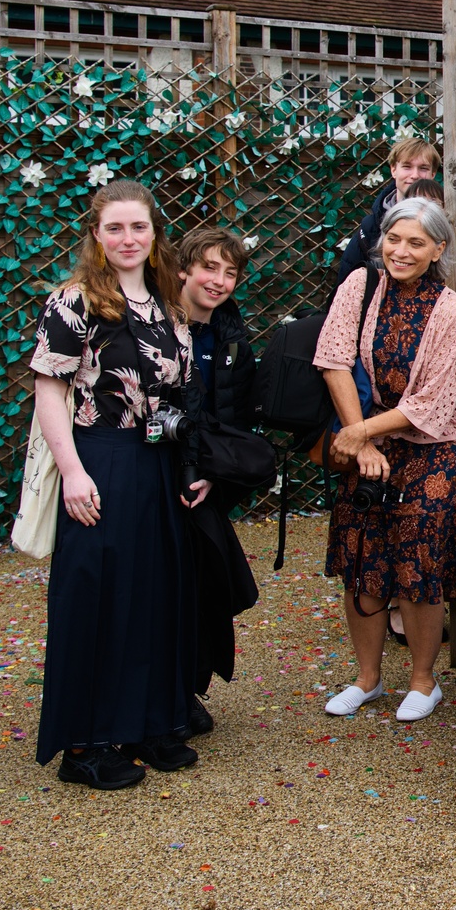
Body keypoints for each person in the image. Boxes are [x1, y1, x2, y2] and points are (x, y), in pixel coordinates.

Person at [31, 181, 206, 789]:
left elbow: (185, 393)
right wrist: (73, 472)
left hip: (158, 462)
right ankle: (85, 744)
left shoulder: (169, 305)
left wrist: (193, 468)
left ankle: (147, 723)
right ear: (96, 236)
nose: (127, 239)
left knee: (155, 594)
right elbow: (49, 389)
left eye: (138, 227)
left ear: (154, 234)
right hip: (100, 459)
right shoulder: (74, 302)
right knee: (97, 596)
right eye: (114, 229)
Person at [316, 197, 456, 723]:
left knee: (418, 562)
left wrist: (360, 432)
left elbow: (432, 403)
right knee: (361, 558)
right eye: (393, 238)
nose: (401, 251)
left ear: (437, 249)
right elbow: (333, 360)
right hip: (364, 447)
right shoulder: (359, 286)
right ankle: (367, 679)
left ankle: (423, 681)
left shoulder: (450, 309)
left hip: (430, 453)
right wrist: (361, 443)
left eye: (415, 242)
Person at [176, 226, 262, 738]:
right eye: (209, 267)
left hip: (207, 482)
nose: (219, 280)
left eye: (230, 273)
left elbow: (237, 420)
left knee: (208, 584)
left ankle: (189, 687)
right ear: (183, 269)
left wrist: (216, 475)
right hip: (163, 473)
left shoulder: (232, 339)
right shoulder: (158, 329)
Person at [333, 136, 438, 290]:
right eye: (407, 166)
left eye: (423, 168)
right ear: (394, 170)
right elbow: (345, 290)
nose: (415, 175)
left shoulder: (445, 223)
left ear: (433, 174)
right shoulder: (370, 228)